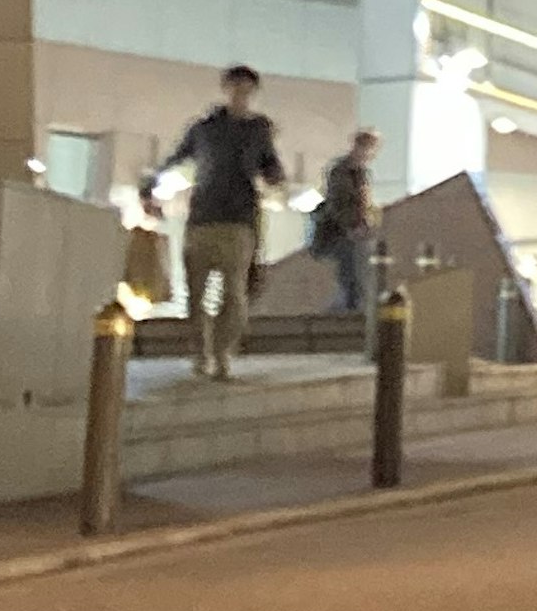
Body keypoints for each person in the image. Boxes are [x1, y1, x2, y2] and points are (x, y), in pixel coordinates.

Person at [145, 68, 285, 381]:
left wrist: (274, 174)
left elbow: (273, 168)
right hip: (202, 218)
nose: (240, 93)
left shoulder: (258, 130)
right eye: (236, 87)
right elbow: (176, 158)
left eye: (246, 89)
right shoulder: (203, 129)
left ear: (253, 92)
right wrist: (150, 186)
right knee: (196, 294)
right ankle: (201, 354)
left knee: (234, 293)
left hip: (239, 220)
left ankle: (221, 354)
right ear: (226, 88)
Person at [308, 129, 381, 323]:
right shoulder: (342, 172)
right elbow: (338, 204)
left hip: (354, 232)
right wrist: (352, 225)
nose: (367, 153)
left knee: (357, 274)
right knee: (350, 275)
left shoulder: (361, 173)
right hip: (340, 234)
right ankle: (346, 311)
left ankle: (352, 308)